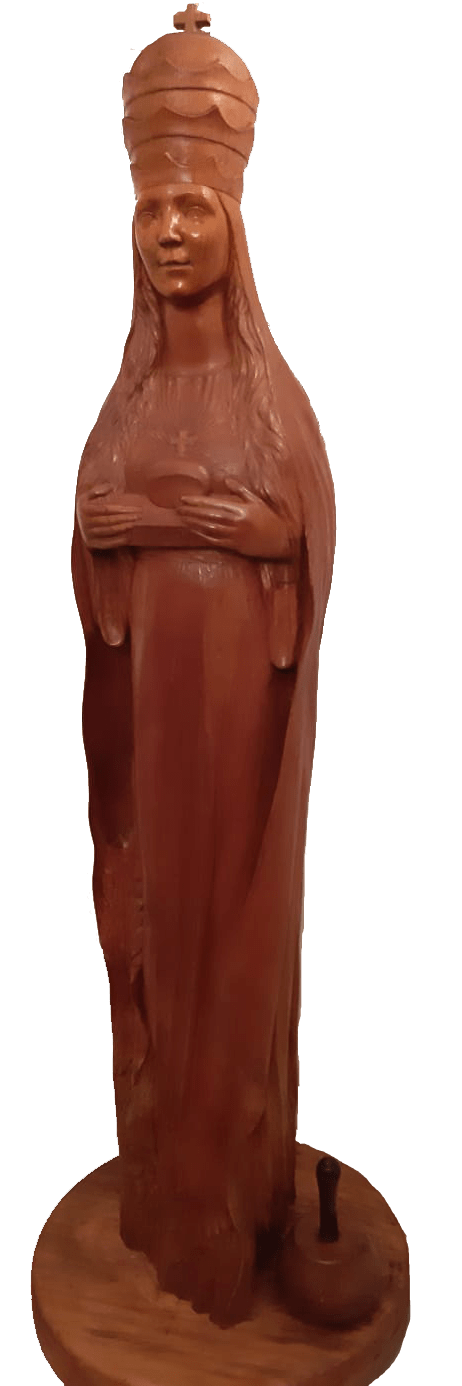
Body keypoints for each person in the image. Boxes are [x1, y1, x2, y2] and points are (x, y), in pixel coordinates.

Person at [72, 21, 335, 1327]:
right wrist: (108, 539)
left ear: (234, 221)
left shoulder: (271, 401)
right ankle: (167, 1192)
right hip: (156, 715)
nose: (170, 231)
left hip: (237, 714)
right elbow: (95, 551)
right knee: (156, 933)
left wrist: (270, 542)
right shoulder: (125, 404)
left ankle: (231, 1209)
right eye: (150, 208)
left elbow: (309, 529)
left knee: (230, 929)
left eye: (193, 207)